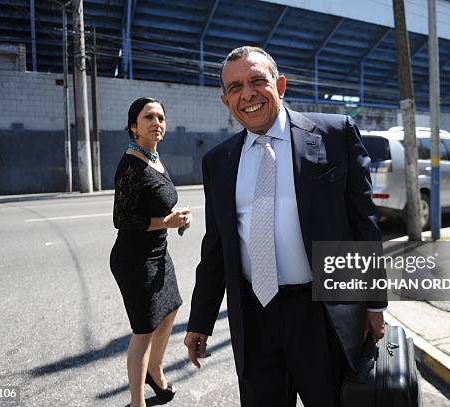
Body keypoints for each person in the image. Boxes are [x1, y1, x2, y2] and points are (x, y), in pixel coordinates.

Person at [184, 46, 387, 407]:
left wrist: (374, 303)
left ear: (279, 84)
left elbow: (364, 224)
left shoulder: (334, 134)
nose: (247, 94)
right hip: (253, 317)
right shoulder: (218, 162)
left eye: (257, 81)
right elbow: (216, 247)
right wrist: (200, 320)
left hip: (323, 313)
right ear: (225, 100)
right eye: (235, 88)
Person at [110, 97, 191, 407]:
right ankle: (136, 402)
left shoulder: (154, 158)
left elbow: (158, 202)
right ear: (134, 127)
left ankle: (155, 371)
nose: (157, 122)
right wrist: (165, 221)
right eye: (148, 117)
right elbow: (122, 219)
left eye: (161, 117)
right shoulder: (131, 165)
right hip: (135, 260)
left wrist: (179, 218)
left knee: (171, 309)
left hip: (158, 252)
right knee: (143, 330)